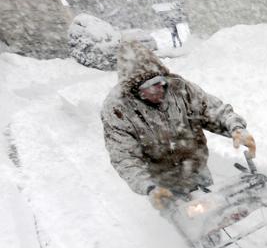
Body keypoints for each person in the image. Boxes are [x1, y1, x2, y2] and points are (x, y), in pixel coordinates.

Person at [101, 40, 256, 209]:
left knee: (214, 213)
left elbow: (212, 110)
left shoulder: (179, 88)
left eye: (159, 82)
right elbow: (124, 157)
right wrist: (149, 187)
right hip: (161, 181)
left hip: (196, 167)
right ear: (133, 89)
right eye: (148, 86)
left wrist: (236, 128)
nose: (157, 90)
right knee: (191, 226)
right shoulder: (118, 110)